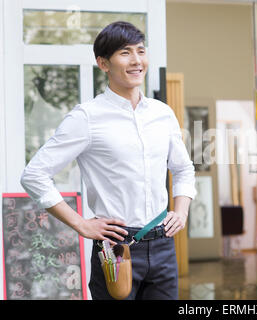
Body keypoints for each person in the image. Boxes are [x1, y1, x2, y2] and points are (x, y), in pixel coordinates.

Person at [20, 21, 196, 300]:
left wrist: (182, 210)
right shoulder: (87, 117)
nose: (137, 60)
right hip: (116, 248)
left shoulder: (162, 114)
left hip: (162, 245)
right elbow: (34, 174)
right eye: (125, 53)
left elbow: (183, 169)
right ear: (103, 64)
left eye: (140, 51)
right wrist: (81, 224)